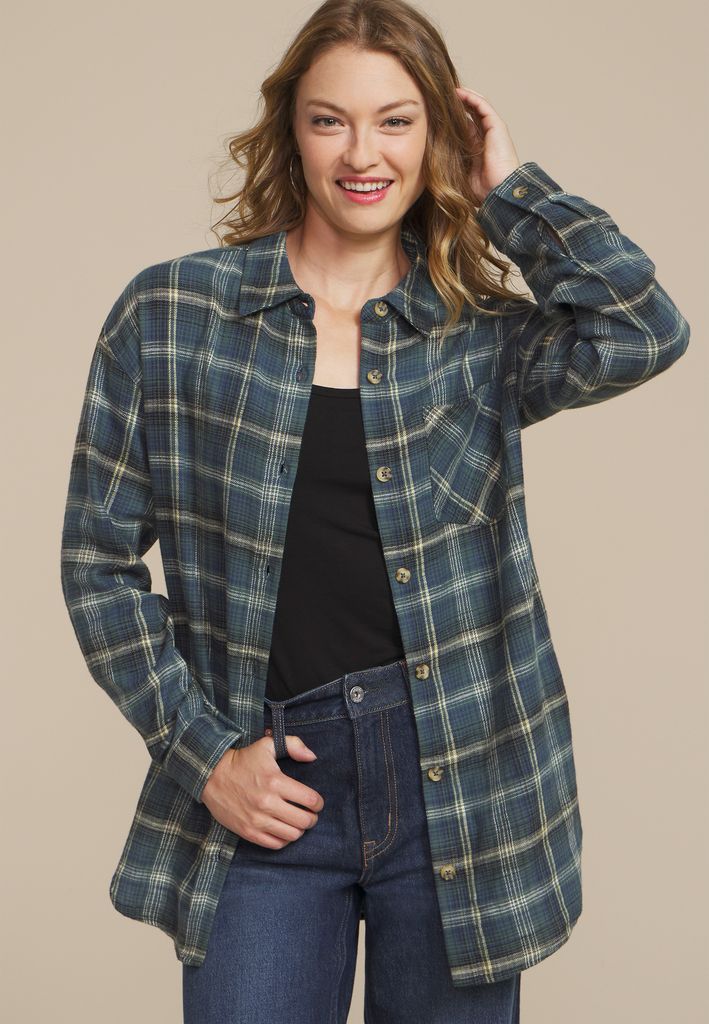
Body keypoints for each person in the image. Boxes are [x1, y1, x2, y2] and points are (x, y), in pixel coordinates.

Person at [59, 1, 690, 1021]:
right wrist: (202, 755)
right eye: (330, 121)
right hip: (271, 780)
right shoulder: (173, 317)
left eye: (396, 121)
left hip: (460, 787)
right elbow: (96, 562)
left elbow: (643, 327)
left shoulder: (476, 336)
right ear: (291, 132)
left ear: (436, 136)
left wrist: (512, 194)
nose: (363, 154)